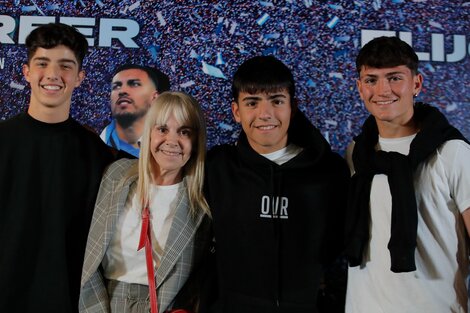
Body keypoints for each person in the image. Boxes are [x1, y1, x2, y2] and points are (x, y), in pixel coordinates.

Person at [204, 55, 350, 313]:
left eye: (277, 101)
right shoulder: (216, 168)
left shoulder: (330, 172)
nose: (265, 114)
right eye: (252, 102)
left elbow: (337, 243)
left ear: (292, 107)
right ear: (236, 111)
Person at [345, 36, 470, 313]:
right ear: (359, 87)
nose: (382, 89)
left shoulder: (452, 152)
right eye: (371, 80)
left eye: (394, 77)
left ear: (416, 83)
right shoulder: (356, 153)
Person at [0, 23, 114, 312]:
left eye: (65, 65)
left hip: (67, 301)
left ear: (79, 77)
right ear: (26, 72)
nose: (52, 74)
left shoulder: (99, 156)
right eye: (42, 63)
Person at [80, 91, 212, 313]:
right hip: (106, 301)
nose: (171, 141)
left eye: (184, 132)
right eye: (162, 129)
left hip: (168, 306)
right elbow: (89, 259)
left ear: (196, 141)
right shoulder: (116, 175)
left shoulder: (202, 199)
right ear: (149, 133)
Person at [100, 64, 170, 158]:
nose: (123, 92)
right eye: (117, 86)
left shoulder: (174, 147)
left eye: (135, 85)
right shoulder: (104, 138)